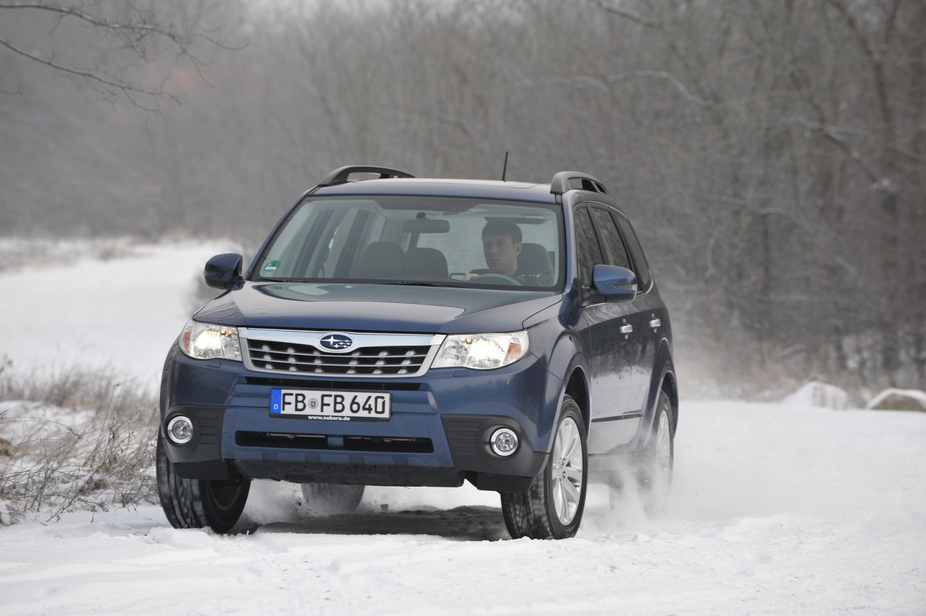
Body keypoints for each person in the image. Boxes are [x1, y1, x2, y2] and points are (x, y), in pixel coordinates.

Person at [464, 220, 553, 286]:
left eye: (500, 244)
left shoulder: (536, 279)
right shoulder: (476, 280)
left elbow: (544, 283)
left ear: (517, 249)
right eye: (487, 245)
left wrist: (487, 281)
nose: (492, 251)